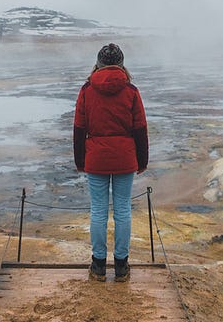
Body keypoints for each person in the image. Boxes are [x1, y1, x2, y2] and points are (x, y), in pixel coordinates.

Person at [73, 43, 148, 282]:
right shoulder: (131, 91)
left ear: (98, 64)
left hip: (95, 158)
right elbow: (140, 128)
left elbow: (78, 129)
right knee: (123, 209)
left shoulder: (86, 90)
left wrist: (80, 160)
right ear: (122, 65)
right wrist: (142, 160)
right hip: (125, 157)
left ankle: (97, 266)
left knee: (98, 210)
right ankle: (121, 266)